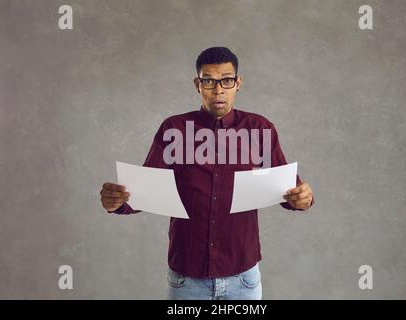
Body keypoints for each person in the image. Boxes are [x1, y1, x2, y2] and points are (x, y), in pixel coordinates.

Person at [99, 47, 314, 300]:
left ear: (238, 83)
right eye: (209, 81)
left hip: (243, 278)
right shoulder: (174, 129)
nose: (218, 89)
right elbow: (144, 191)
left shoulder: (259, 129)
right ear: (197, 84)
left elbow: (289, 191)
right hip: (187, 279)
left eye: (226, 80)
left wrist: (303, 198)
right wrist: (118, 202)